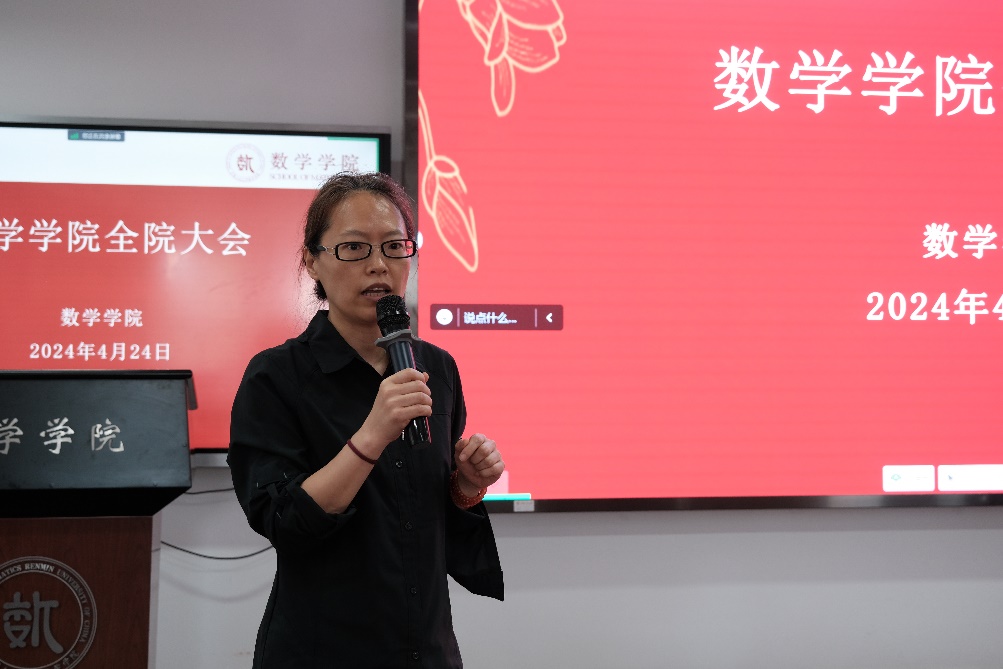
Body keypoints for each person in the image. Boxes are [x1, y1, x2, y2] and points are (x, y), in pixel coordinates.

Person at [227, 171, 505, 669]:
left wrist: (467, 484)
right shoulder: (275, 377)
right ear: (312, 260)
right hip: (323, 651)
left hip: (427, 649)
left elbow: (428, 512)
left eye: (395, 246)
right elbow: (282, 521)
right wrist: (371, 437)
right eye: (354, 248)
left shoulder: (435, 367)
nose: (379, 264)